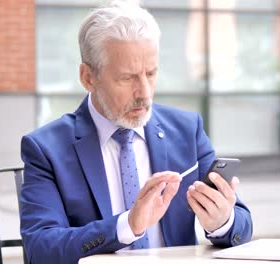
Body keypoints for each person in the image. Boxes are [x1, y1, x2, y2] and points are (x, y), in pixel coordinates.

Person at [19, 1, 253, 263]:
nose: (144, 93)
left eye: (151, 74)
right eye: (127, 78)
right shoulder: (46, 149)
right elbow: (39, 249)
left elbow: (241, 227)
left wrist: (222, 220)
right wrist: (127, 226)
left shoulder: (187, 131)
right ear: (88, 77)